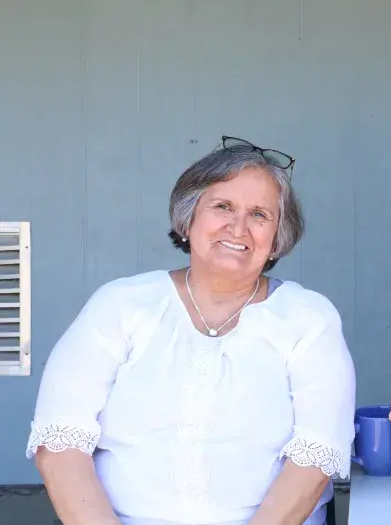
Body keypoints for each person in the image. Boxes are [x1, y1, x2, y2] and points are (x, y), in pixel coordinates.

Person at [26, 137, 356, 525]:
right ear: (188, 219)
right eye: (222, 207)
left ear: (276, 238)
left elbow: (315, 456)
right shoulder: (119, 305)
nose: (238, 227)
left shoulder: (309, 319)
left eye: (259, 215)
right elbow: (61, 439)